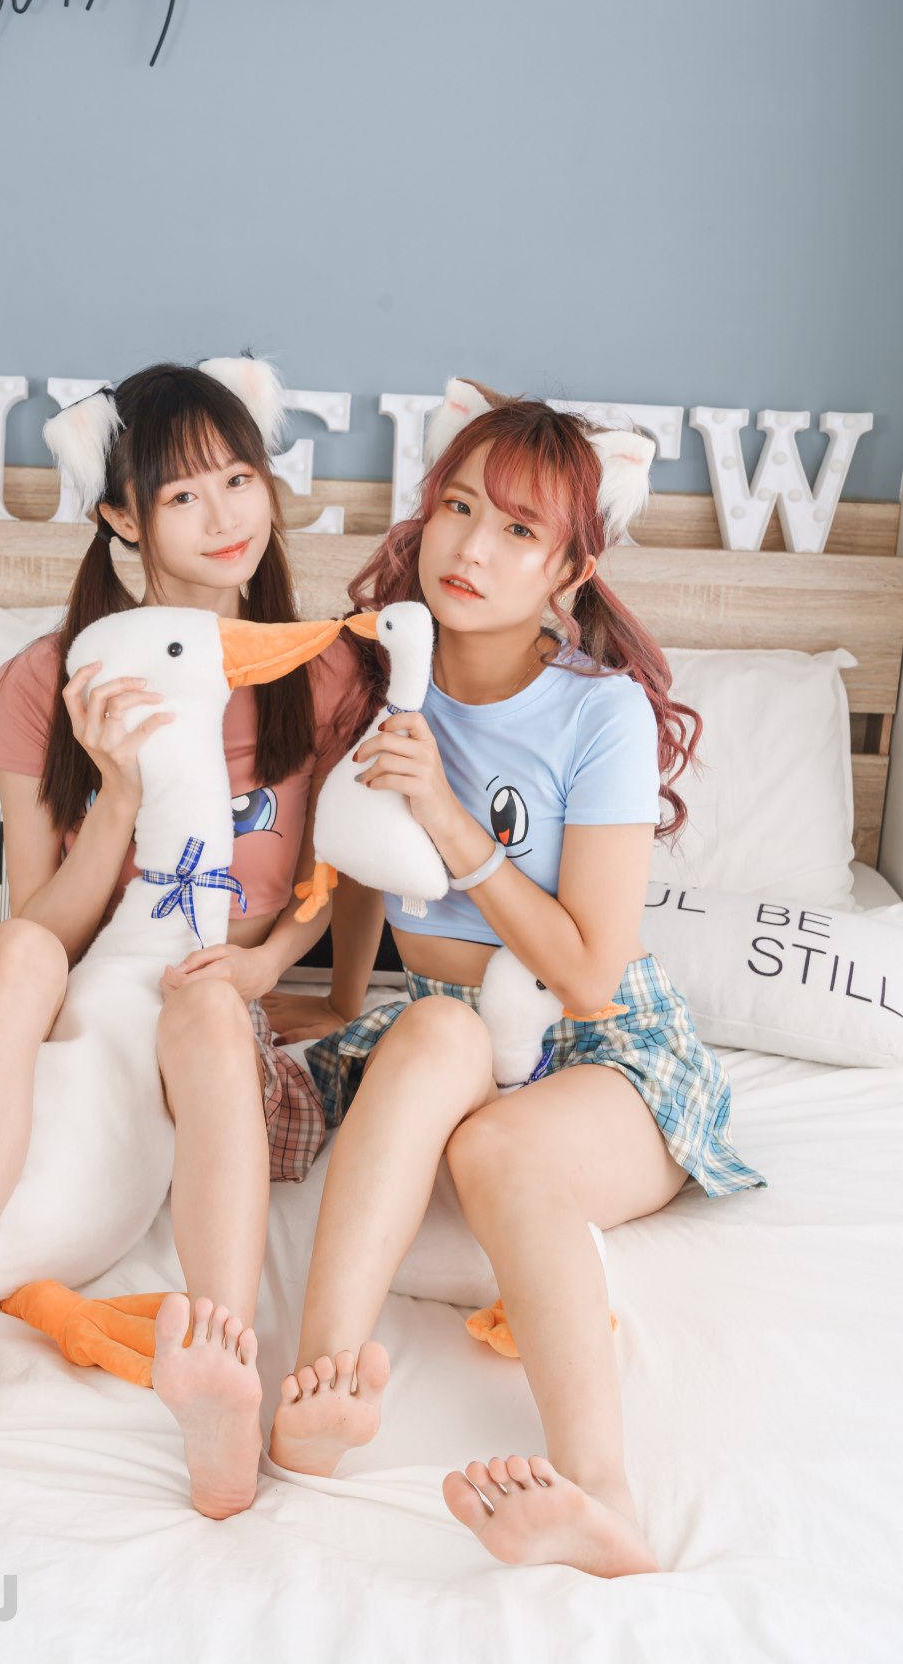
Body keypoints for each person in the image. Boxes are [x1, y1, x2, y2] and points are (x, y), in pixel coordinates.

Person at [263, 390, 766, 1576]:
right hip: (448, 1018)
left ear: (570, 571)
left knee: (499, 1152)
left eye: (519, 530)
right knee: (430, 1038)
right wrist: (336, 999)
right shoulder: (378, 670)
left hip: (602, 1043)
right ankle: (321, 1395)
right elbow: (354, 859)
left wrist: (450, 816)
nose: (472, 547)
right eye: (457, 507)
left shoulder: (601, 715)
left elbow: (587, 973)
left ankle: (603, 1500)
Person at [0, 357, 379, 1522]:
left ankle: (218, 1363)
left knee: (204, 1008)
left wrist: (275, 968)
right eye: (182, 495)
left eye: (239, 479)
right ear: (120, 516)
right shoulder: (46, 680)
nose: (225, 517)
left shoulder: (327, 671)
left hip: (210, 989)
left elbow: (344, 865)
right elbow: (41, 926)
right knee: (9, 956)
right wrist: (115, 792)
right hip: (76, 990)